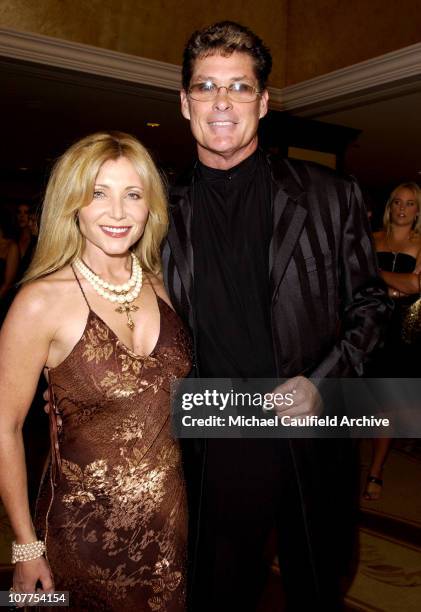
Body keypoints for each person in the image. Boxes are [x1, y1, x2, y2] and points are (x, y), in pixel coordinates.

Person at [162, 21, 391, 612]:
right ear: (185, 102)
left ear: (263, 102)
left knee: (318, 583)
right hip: (213, 432)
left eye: (238, 87)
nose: (221, 102)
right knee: (217, 588)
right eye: (206, 86)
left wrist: (322, 383)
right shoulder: (156, 207)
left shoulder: (329, 194)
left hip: (310, 433)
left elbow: (370, 306)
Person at [0, 132, 191, 611]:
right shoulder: (39, 301)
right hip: (76, 537)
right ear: (73, 205)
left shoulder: (166, 286)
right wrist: (24, 545)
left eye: (133, 195)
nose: (118, 212)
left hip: (169, 530)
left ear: (151, 207)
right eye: (98, 194)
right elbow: (4, 426)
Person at [364, 182, 421, 500]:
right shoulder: (371, 240)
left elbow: (415, 286)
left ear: (418, 210)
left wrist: (377, 275)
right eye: (397, 202)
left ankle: (376, 470)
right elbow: (355, 281)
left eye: (410, 204)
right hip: (366, 326)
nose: (402, 208)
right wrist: (393, 285)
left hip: (402, 332)